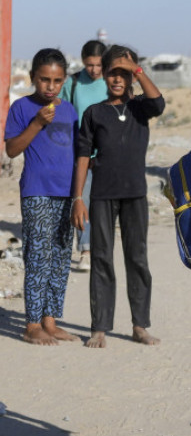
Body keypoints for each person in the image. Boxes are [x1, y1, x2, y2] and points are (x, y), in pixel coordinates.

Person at [71, 45, 163, 349]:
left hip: (135, 194)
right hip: (102, 195)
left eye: (124, 74)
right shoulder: (94, 113)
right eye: (113, 73)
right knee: (101, 258)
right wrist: (78, 198)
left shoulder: (140, 108)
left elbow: (159, 103)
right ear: (105, 76)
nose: (118, 79)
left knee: (137, 259)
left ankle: (140, 325)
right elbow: (83, 155)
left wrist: (136, 68)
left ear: (132, 77)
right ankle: (99, 327)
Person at [3, 49, 78, 345]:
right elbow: (11, 150)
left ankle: (51, 320)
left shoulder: (70, 110)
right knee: (38, 256)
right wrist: (36, 124)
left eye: (57, 80)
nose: (50, 86)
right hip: (37, 191)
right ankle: (32, 324)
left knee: (60, 257)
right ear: (33, 77)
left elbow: (77, 152)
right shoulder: (22, 108)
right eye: (44, 79)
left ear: (64, 81)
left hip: (66, 192)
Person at [59, 39, 108, 272]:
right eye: (90, 65)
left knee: (105, 203)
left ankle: (102, 248)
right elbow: (64, 115)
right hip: (82, 153)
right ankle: (86, 250)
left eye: (99, 65)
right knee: (83, 200)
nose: (94, 70)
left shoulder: (112, 81)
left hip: (109, 154)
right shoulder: (74, 82)